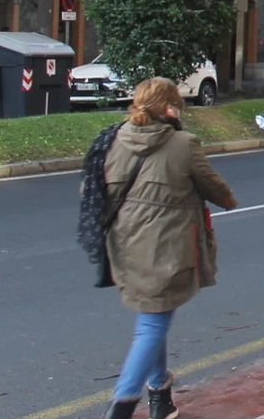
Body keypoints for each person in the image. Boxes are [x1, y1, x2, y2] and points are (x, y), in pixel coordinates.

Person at [101, 77, 237, 419]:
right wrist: (229, 200)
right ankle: (121, 405)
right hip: (167, 247)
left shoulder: (115, 139)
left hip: (126, 243)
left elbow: (101, 191)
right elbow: (214, 188)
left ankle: (160, 395)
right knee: (152, 325)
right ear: (170, 107)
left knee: (153, 312)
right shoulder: (183, 143)